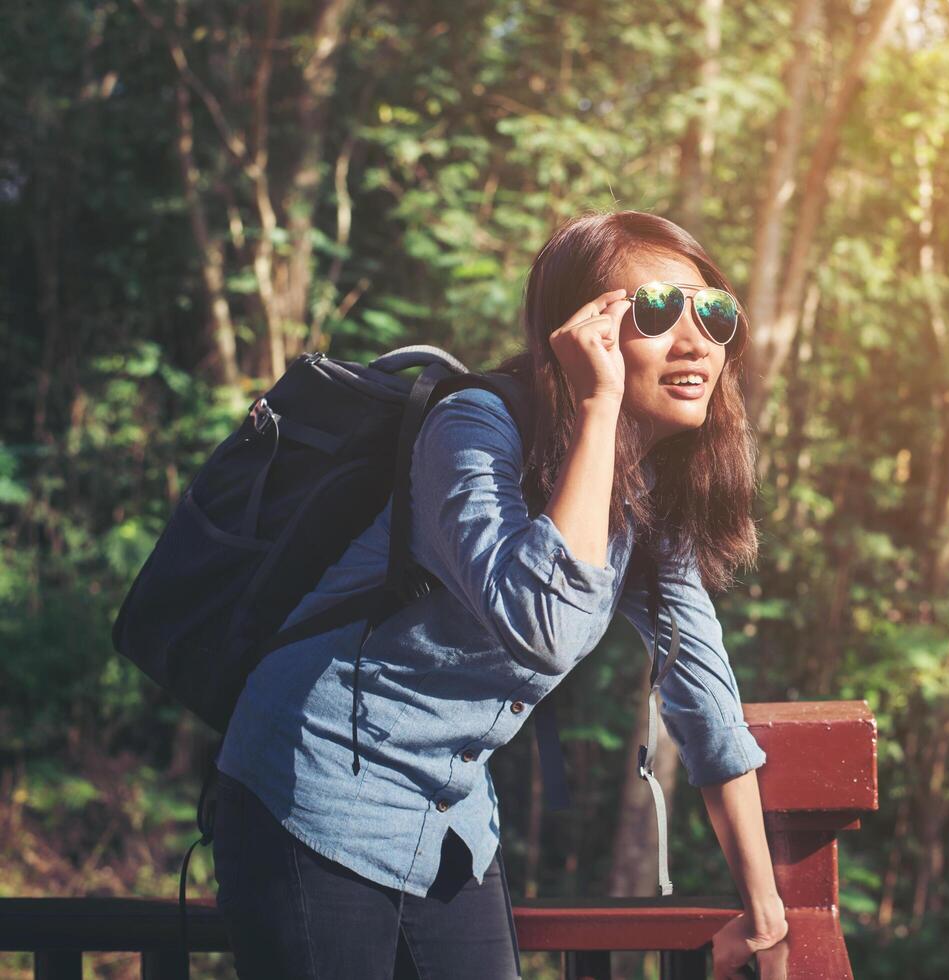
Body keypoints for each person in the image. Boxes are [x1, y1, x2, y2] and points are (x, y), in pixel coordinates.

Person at [210, 209, 789, 979]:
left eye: (711, 312)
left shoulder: (652, 490)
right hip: (312, 788)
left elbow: (703, 694)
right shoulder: (474, 426)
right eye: (654, 311)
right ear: (581, 334)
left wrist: (763, 908)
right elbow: (539, 622)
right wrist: (596, 406)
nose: (694, 343)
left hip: (449, 820)